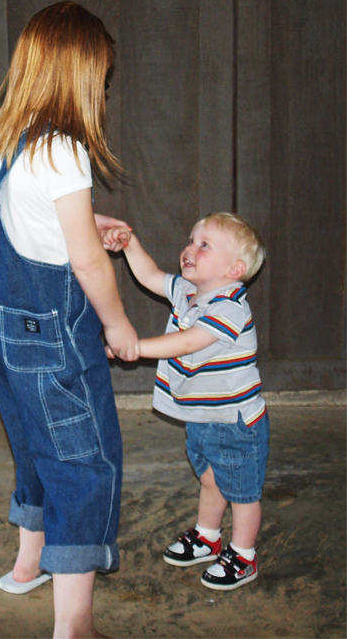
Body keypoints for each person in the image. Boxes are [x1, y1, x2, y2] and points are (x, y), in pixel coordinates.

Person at [0, 1, 139, 638]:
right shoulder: (65, 149)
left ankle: (28, 563)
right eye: (99, 74)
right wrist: (118, 323)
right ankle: (74, 625)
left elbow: (26, 217)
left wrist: (87, 225)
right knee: (83, 459)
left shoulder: (2, 137)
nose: (102, 85)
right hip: (52, 337)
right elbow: (89, 268)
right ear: (78, 74)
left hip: (2, 331)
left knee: (35, 446)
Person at [102, 212, 269, 591]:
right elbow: (148, 276)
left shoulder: (230, 307)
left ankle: (244, 554)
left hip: (235, 421)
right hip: (201, 414)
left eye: (204, 245)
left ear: (235, 268)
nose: (190, 249)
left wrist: (137, 347)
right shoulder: (187, 292)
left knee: (242, 492)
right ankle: (208, 536)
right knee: (210, 479)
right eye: (191, 240)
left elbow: (191, 340)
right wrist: (130, 243)